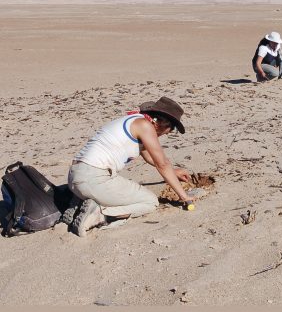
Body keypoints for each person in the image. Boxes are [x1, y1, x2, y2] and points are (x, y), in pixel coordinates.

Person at [68, 96, 195, 236]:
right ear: (162, 124)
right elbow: (162, 164)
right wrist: (184, 196)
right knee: (150, 202)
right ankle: (100, 213)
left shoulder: (133, 121)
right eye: (170, 130)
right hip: (94, 178)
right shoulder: (144, 126)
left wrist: (174, 172)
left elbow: (150, 157)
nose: (167, 134)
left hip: (77, 176)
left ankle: (78, 202)